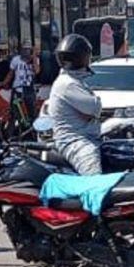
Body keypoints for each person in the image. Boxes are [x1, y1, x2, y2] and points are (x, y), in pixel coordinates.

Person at [45, 34, 102, 175]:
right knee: (94, 177)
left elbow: (91, 111)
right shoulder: (67, 83)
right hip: (75, 140)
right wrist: (92, 112)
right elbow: (94, 107)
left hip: (85, 135)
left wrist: (90, 115)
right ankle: (93, 195)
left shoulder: (74, 80)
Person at [0, 47, 39, 123]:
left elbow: (37, 71)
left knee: (32, 111)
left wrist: (34, 57)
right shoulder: (16, 59)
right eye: (24, 50)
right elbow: (10, 73)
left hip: (29, 89)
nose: (26, 52)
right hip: (17, 89)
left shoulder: (34, 60)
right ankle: (16, 128)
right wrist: (4, 83)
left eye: (28, 50)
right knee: (14, 112)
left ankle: (32, 129)